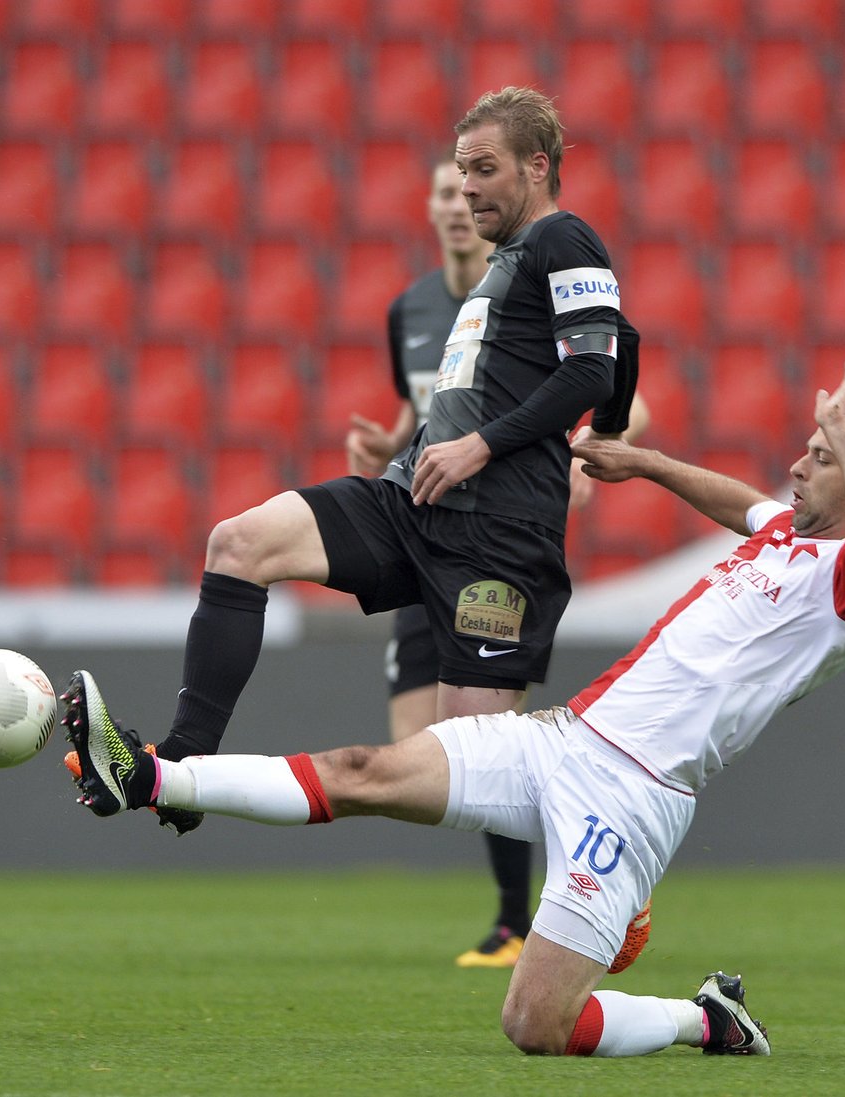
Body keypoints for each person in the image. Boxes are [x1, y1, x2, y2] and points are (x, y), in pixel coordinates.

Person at [64, 351, 845, 1058]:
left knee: (534, 1024)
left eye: (818, 453)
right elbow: (742, 503)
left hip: (632, 798)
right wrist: (647, 464)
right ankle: (151, 776)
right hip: (565, 738)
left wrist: (844, 426)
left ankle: (706, 1019)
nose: (798, 463)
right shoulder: (785, 534)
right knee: (362, 769)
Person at [118, 86, 640, 855]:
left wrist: (496, 442)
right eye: (462, 171)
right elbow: (622, 344)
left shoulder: (566, 239)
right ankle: (184, 766)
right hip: (413, 501)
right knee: (239, 542)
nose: (466, 188)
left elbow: (600, 360)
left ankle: (611, 848)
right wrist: (607, 431)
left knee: (475, 773)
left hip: (499, 538)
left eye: (484, 169)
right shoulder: (509, 264)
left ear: (537, 167)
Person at [344, 149, 647, 967]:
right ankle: (569, 860)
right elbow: (435, 410)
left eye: (466, 186)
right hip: (425, 517)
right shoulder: (409, 309)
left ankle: (530, 914)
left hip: (495, 528)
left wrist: (586, 455)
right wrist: (393, 448)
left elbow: (616, 379)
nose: (455, 202)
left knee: (476, 745)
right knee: (426, 747)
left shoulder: (539, 271)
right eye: (442, 189)